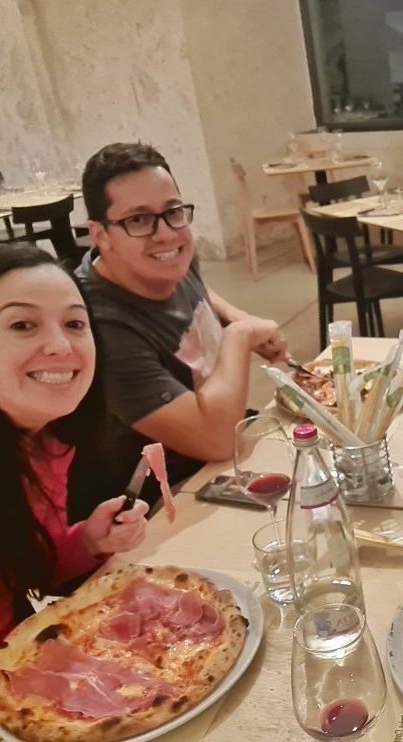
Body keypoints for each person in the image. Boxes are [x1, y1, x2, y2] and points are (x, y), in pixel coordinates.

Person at [0, 245, 149, 742]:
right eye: (23, 325)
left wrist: (88, 543)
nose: (60, 345)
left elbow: (16, 571)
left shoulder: (48, 435)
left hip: (19, 682)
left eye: (75, 323)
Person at [75, 142, 287, 499]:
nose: (166, 234)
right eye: (138, 220)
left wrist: (235, 314)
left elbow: (194, 287)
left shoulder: (166, 258)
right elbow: (216, 442)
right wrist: (241, 334)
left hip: (227, 448)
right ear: (100, 235)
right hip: (163, 495)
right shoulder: (99, 328)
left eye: (173, 211)